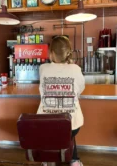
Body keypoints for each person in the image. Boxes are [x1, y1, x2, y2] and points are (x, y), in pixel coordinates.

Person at [37, 35, 85, 166]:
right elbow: (80, 89)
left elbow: (41, 91)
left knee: (53, 132)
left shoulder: (43, 68)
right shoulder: (76, 69)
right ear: (68, 53)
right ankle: (74, 161)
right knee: (68, 129)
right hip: (71, 124)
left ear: (51, 53)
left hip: (46, 123)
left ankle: (48, 159)